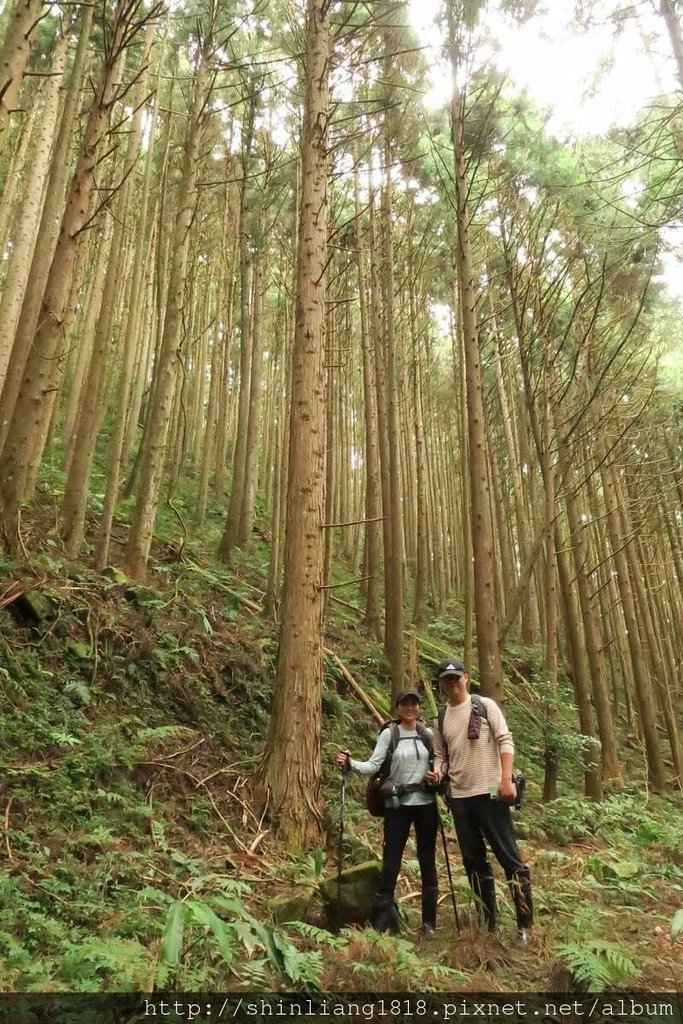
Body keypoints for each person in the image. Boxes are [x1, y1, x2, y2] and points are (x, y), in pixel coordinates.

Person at [432, 659, 533, 947]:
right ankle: (487, 922)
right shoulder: (441, 718)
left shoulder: (485, 705)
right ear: (441, 684)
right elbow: (440, 755)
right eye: (446, 679)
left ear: (466, 678)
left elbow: (505, 740)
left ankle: (524, 925)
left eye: (455, 677)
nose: (451, 683)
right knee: (474, 862)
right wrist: (438, 772)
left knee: (509, 859)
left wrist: (505, 780)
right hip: (460, 798)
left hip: (491, 792)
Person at [336, 688, 440, 938]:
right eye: (405, 704)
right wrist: (350, 765)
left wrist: (437, 776)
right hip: (398, 806)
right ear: (398, 707)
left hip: (425, 803)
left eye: (414, 704)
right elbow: (374, 764)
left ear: (419, 707)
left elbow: (440, 761)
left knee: (427, 861)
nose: (410, 708)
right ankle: (381, 922)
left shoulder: (428, 734)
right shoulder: (389, 734)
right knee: (391, 860)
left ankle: (429, 923)